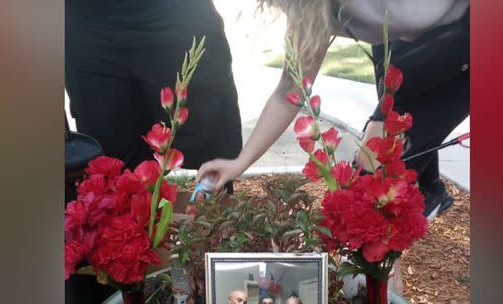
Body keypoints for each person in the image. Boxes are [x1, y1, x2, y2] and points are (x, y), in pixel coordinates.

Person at [196, 0, 469, 217]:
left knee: (371, 173)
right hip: (401, 47)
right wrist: (239, 163)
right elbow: (289, 92)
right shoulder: (312, 9)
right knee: (372, 184)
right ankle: (422, 202)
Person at [66, 0, 243, 175]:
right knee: (110, 162)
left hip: (177, 12)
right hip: (88, 21)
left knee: (209, 140)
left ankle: (210, 199)